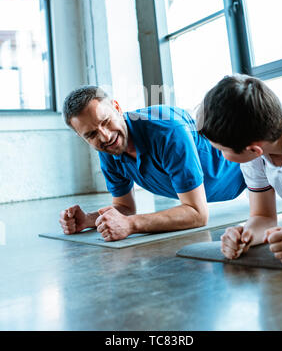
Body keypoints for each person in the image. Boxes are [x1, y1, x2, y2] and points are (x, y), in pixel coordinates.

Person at [59, 85, 246, 242]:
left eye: (106, 121)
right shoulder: (108, 148)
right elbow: (125, 207)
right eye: (91, 134)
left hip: (247, 167)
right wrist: (88, 219)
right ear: (81, 136)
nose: (105, 136)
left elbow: (197, 214)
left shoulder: (167, 130)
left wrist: (131, 225)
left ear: (117, 107)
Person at [199, 74, 282, 264]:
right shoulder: (256, 148)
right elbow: (263, 215)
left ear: (253, 149)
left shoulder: (253, 146)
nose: (220, 155)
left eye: (221, 150)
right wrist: (245, 236)